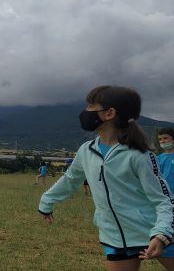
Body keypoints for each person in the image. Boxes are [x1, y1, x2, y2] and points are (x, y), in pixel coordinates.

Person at [38, 85, 174, 270]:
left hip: (154, 232)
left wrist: (162, 233)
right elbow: (71, 179)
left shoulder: (139, 154)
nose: (85, 112)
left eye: (90, 107)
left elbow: (164, 199)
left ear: (109, 113)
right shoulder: (87, 150)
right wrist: (47, 201)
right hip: (114, 237)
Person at [157, 127, 174, 260]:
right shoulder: (159, 158)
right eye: (160, 139)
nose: (163, 141)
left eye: (165, 138)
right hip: (166, 199)